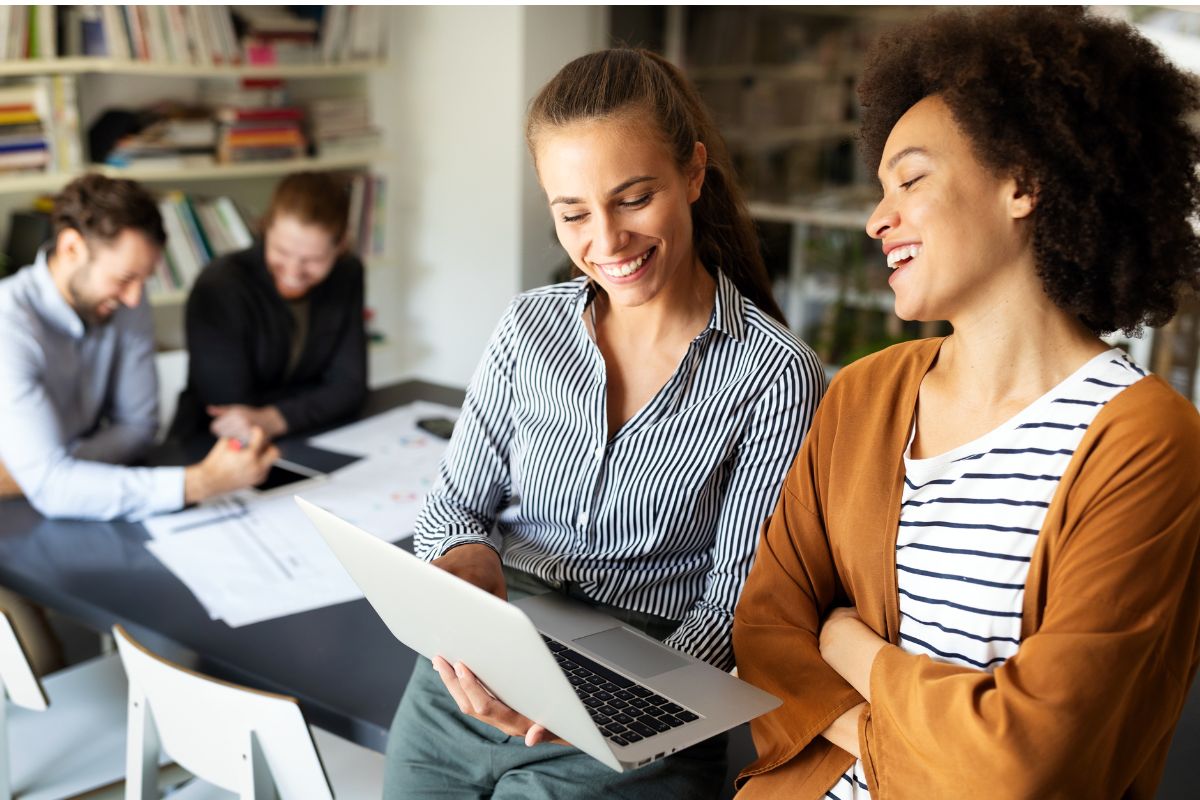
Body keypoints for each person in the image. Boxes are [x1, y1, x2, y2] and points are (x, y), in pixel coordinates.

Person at [732, 7, 1200, 798]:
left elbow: (1028, 763)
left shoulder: (1146, 441)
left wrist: (850, 647)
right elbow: (769, 635)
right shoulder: (863, 395)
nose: (879, 219)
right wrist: (922, 737)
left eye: (910, 180)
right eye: (880, 191)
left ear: (1022, 181)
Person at [383, 49, 826, 799]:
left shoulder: (774, 373)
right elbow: (455, 506)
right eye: (573, 213)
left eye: (633, 197)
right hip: (481, 668)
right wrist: (464, 575)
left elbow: (737, 606)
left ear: (692, 172)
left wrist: (619, 707)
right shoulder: (528, 327)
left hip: (644, 683)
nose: (608, 241)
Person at [0, 174, 277, 671]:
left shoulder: (126, 302)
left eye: (142, 280)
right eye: (123, 278)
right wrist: (199, 482)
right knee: (43, 662)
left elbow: (137, 427)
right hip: (11, 533)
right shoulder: (9, 326)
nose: (134, 299)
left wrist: (47, 470)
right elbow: (54, 484)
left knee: (182, 618)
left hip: (48, 503)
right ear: (71, 247)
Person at [172, 171, 367, 442]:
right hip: (213, 445)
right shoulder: (221, 285)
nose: (293, 272)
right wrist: (317, 397)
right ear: (264, 229)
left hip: (307, 436)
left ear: (340, 247)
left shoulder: (347, 274)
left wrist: (273, 418)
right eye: (282, 252)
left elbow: (351, 387)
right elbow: (231, 411)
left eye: (312, 260)